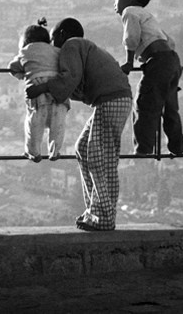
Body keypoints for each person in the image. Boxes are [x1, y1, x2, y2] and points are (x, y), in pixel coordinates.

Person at [27, 18, 132, 231]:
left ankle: (104, 216)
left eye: (54, 39)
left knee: (98, 156)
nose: (53, 46)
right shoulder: (83, 49)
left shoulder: (71, 45)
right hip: (113, 99)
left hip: (111, 99)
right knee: (84, 148)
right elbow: (73, 83)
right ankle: (94, 211)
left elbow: (70, 78)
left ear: (63, 34)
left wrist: (43, 87)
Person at [114, 0, 183, 157]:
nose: (114, 4)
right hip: (171, 60)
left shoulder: (130, 12)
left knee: (144, 105)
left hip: (158, 62)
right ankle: (177, 146)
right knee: (170, 108)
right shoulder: (148, 16)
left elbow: (131, 37)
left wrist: (130, 62)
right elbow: (169, 41)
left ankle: (144, 149)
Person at [8, 18, 70, 162]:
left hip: (37, 93)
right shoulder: (57, 51)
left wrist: (24, 75)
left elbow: (12, 67)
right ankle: (55, 152)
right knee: (58, 126)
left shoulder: (25, 51)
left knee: (33, 125)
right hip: (57, 93)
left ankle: (33, 152)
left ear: (25, 41)